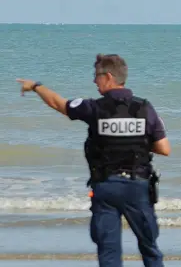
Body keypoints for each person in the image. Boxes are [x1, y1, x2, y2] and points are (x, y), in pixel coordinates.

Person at [16, 54, 170, 267]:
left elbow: (58, 103)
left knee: (108, 253)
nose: (94, 81)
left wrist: (36, 86)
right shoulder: (144, 108)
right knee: (150, 249)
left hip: (106, 188)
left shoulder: (93, 107)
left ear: (108, 77)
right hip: (138, 187)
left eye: (96, 76)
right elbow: (164, 148)